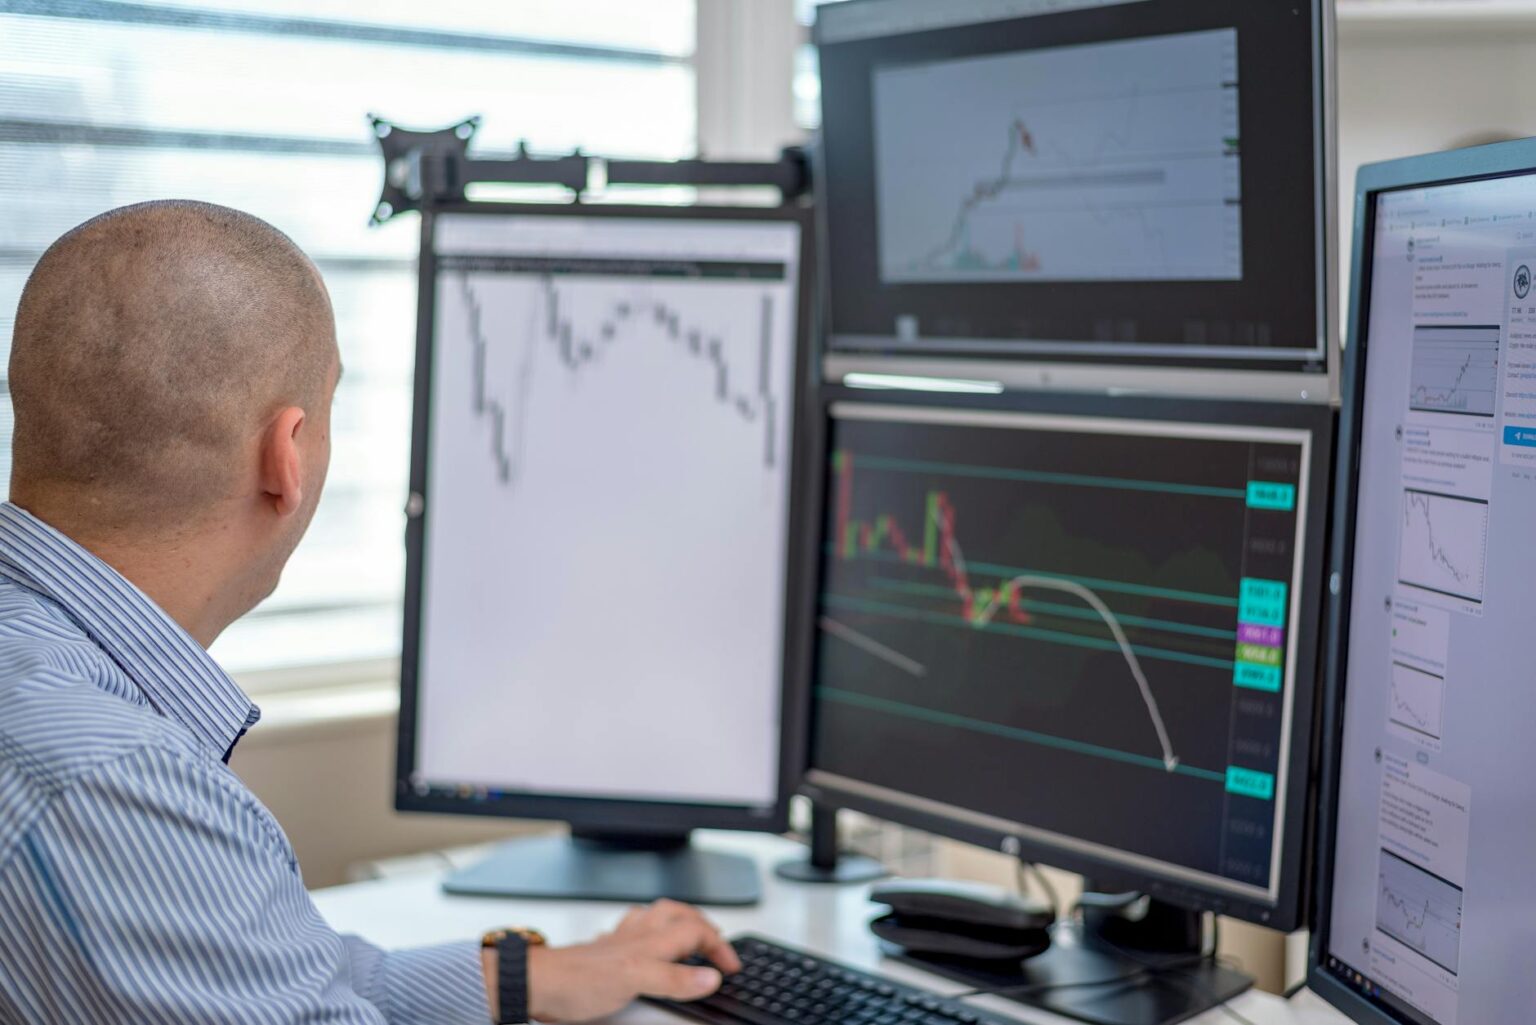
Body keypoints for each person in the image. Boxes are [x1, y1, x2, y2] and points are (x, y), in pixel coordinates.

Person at [0, 200, 739, 1024]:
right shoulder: (113, 786)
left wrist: (523, 977)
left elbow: (269, 973)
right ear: (285, 454)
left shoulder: (42, 676)